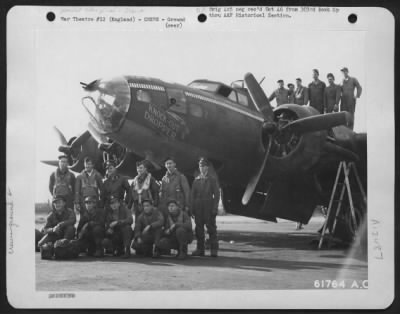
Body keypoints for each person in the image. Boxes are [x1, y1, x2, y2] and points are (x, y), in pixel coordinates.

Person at [191, 158, 220, 257]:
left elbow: (216, 195)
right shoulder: (196, 180)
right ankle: (200, 249)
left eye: (203, 166)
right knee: (199, 229)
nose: (201, 168)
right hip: (198, 207)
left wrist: (215, 208)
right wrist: (192, 209)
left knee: (211, 229)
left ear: (207, 167)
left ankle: (214, 250)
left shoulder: (212, 179)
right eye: (200, 166)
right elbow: (192, 196)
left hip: (209, 206)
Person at [74, 157, 103, 232]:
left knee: (94, 220)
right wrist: (77, 202)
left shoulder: (97, 175)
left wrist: (101, 201)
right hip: (83, 203)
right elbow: (77, 191)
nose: (87, 166)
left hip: (94, 202)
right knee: (83, 219)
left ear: (93, 165)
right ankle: (80, 235)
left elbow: (102, 189)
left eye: (89, 164)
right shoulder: (79, 176)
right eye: (86, 164)